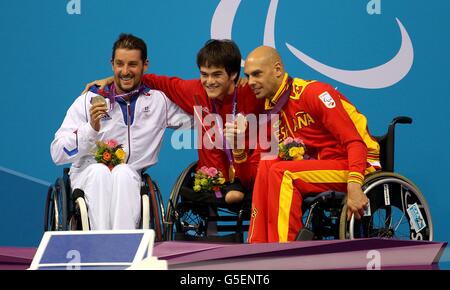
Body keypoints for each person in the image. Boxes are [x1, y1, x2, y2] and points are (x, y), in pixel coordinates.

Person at [83, 39, 266, 206]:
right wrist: (111, 80)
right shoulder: (194, 90)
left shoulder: (252, 93)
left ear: (233, 74)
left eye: (216, 75)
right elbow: (151, 80)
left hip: (247, 174)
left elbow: (279, 88)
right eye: (205, 74)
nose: (209, 82)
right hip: (212, 179)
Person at [51, 34, 191, 230]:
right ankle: (101, 245)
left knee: (124, 172)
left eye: (132, 64)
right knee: (99, 171)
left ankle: (121, 247)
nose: (125, 71)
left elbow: (200, 117)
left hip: (130, 177)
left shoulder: (159, 102)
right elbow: (58, 153)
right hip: (87, 175)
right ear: (112, 64)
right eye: (120, 64)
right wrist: (91, 129)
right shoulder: (87, 101)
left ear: (145, 65)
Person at [244, 46, 380, 243]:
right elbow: (254, 171)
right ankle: (257, 246)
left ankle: (284, 250)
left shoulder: (313, 93)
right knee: (267, 163)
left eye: (257, 74)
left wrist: (354, 185)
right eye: (247, 76)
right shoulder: (271, 109)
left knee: (282, 173)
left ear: (278, 70)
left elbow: (356, 143)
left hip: (356, 163)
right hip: (321, 165)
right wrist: (239, 150)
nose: (251, 82)